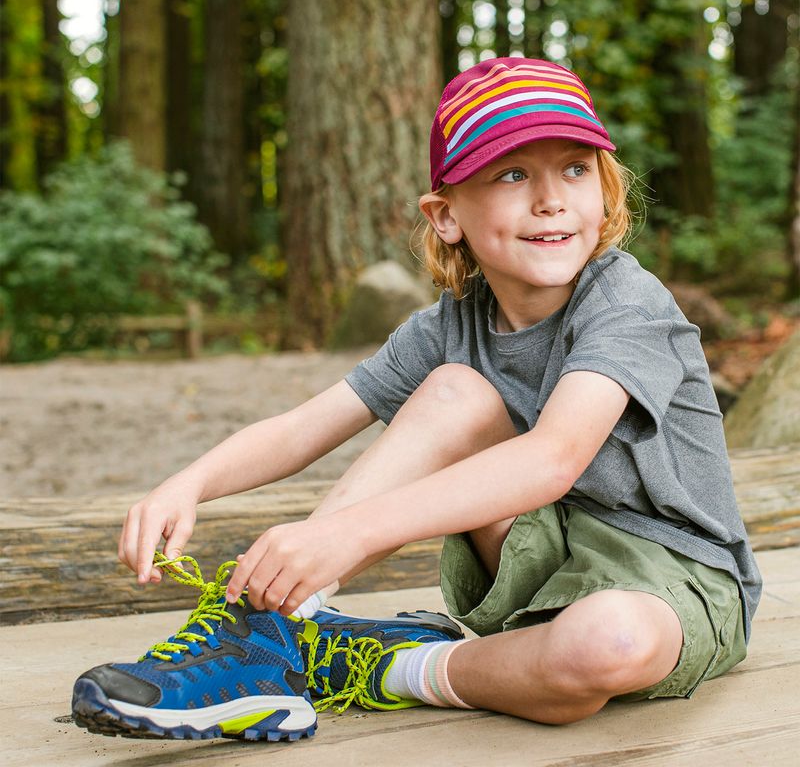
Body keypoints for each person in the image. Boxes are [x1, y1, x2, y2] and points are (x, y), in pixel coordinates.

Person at [72, 57, 761, 742]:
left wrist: (346, 535)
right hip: (544, 556)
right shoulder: (453, 322)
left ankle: (381, 666)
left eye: (576, 169)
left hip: (675, 581)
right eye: (513, 174)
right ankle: (270, 631)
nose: (552, 199)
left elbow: (552, 460)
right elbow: (306, 425)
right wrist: (189, 484)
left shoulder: (627, 303)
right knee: (455, 390)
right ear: (446, 215)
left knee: (604, 644)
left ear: (607, 191)